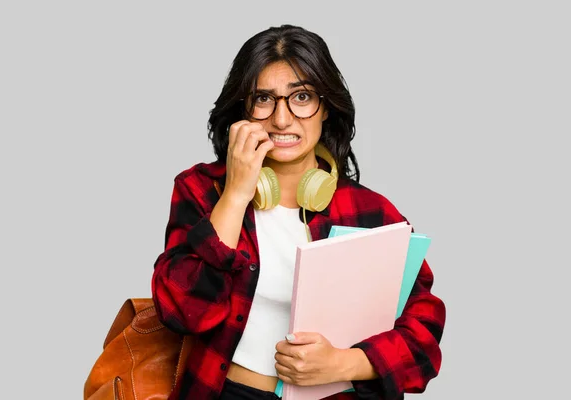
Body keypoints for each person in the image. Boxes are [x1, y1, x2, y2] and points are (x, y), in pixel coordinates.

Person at [152, 24, 446, 400]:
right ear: (242, 110)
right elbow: (182, 312)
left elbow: (424, 328)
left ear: (326, 108)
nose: (282, 119)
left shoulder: (372, 212)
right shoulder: (201, 190)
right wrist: (236, 193)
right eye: (263, 99)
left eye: (302, 97)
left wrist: (347, 363)